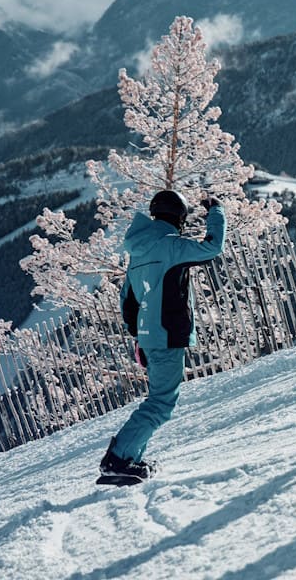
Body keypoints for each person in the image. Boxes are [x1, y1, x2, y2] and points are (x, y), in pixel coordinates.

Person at [99, 189, 226, 484]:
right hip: (167, 334)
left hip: (150, 337)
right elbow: (212, 248)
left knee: (157, 399)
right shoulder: (172, 246)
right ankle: (117, 458)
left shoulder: (137, 253)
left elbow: (127, 302)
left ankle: (130, 458)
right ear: (179, 218)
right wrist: (217, 212)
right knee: (160, 403)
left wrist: (140, 337)